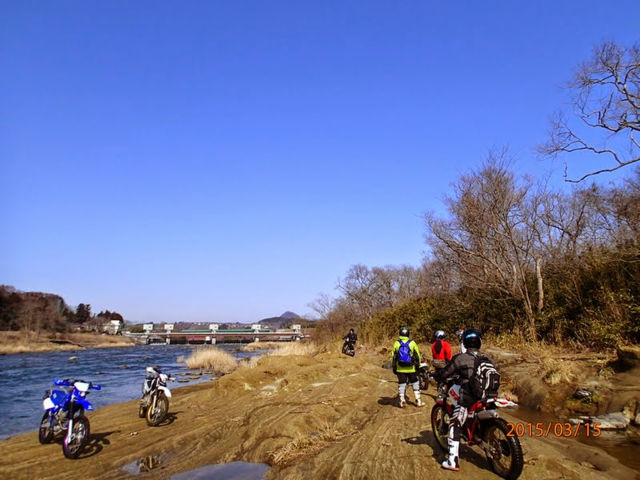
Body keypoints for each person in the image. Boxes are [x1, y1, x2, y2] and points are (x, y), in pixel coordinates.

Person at [434, 328, 489, 472]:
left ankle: (452, 461)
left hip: (469, 397)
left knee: (454, 422)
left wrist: (436, 376)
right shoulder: (487, 358)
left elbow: (445, 373)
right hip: (488, 395)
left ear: (464, 342)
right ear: (479, 342)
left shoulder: (460, 358)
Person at [391, 326, 423, 408]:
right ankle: (418, 400)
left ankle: (402, 401)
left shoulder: (396, 343)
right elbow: (417, 356)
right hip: (411, 368)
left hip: (400, 368)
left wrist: (393, 367)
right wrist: (418, 366)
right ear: (408, 333)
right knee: (415, 382)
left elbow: (393, 357)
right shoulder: (412, 343)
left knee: (402, 383)